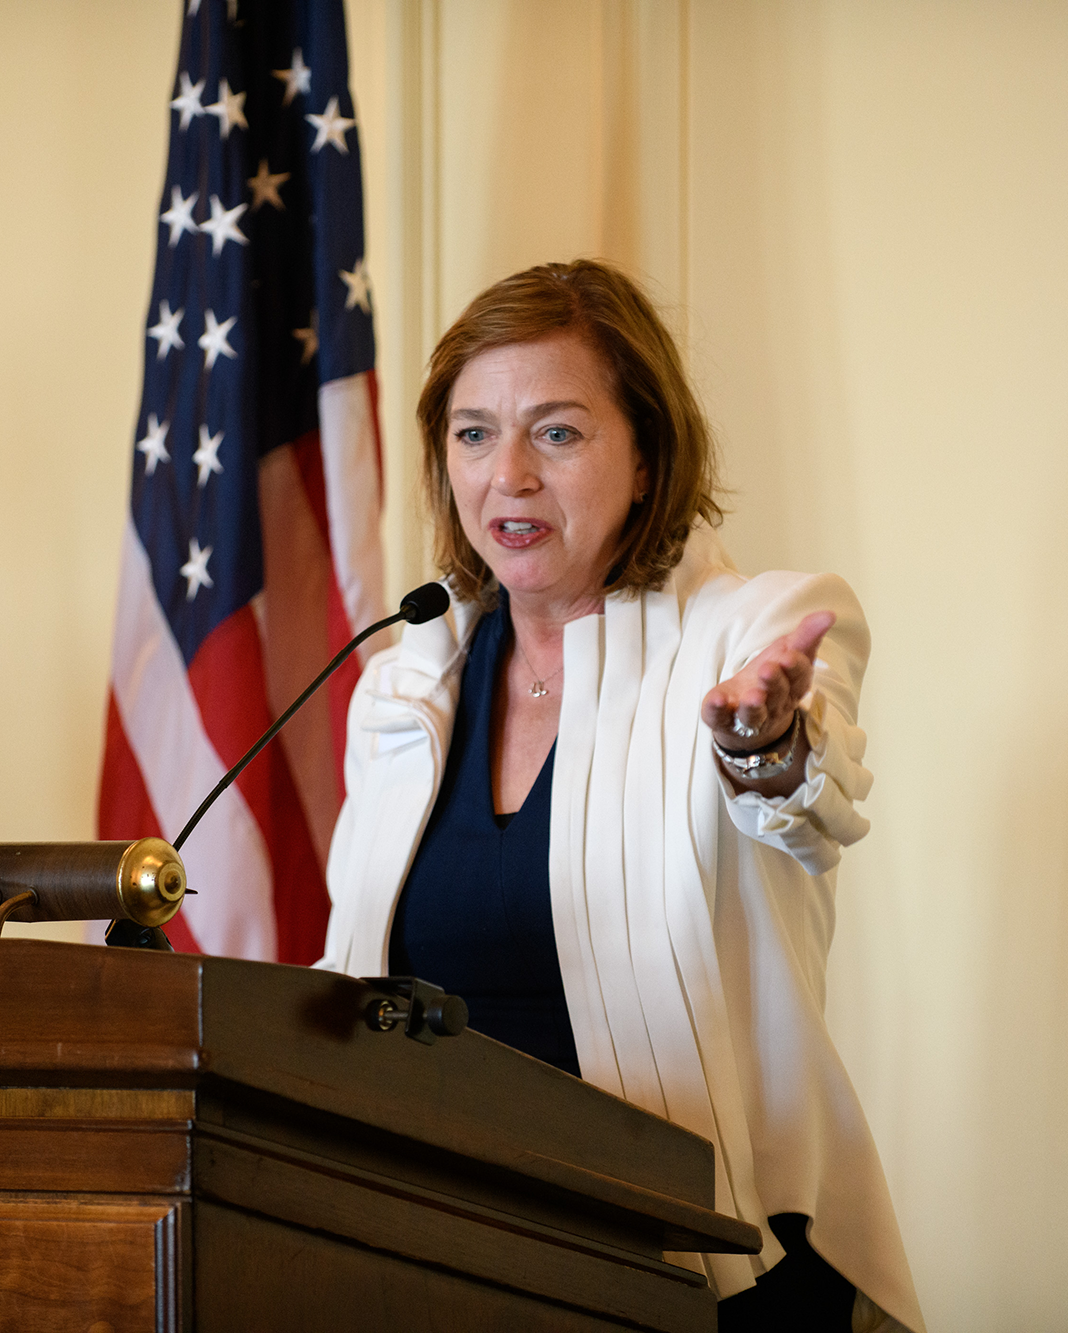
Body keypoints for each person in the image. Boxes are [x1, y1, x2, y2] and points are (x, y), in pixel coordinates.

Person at [318, 260, 924, 1333]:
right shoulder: (407, 684)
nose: (507, 475)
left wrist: (765, 742)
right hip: (453, 1260)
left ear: (645, 456)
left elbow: (810, 798)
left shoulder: (749, 631)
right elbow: (351, 981)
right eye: (472, 434)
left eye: (556, 432)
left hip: (714, 1265)